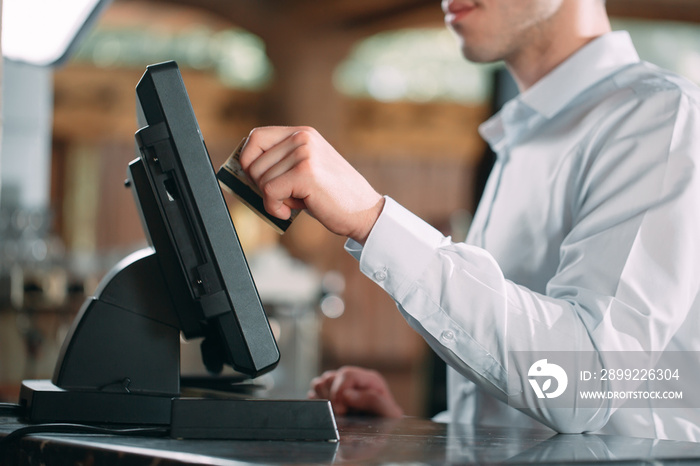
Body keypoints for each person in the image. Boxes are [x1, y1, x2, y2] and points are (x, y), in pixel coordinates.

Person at [238, 0, 700, 441]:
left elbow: (585, 379)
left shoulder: (659, 116)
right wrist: (435, 427)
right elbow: (543, 391)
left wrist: (372, 218)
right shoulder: (529, 136)